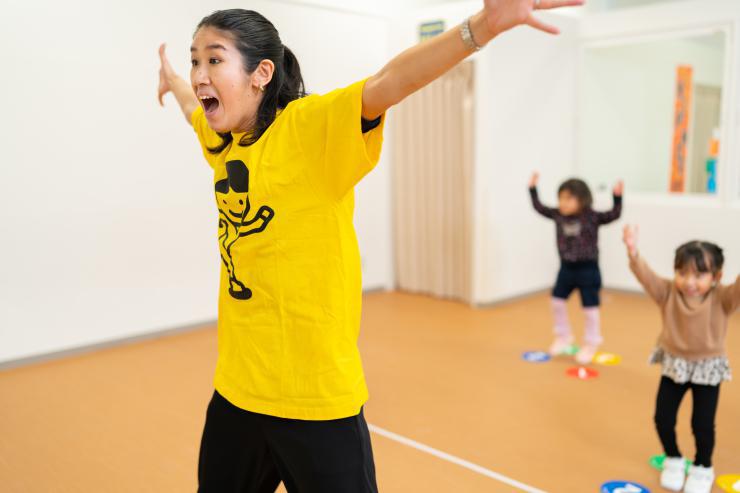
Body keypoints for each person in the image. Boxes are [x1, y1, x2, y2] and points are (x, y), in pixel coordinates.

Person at [157, 1, 583, 491]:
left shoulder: (307, 128)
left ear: (261, 74)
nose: (200, 73)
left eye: (214, 59)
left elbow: (388, 83)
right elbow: (192, 109)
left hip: (316, 402)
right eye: (195, 60)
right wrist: (174, 80)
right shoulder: (223, 142)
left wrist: (482, 26)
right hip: (237, 393)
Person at [623, 225, 739, 493]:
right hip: (675, 365)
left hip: (707, 369)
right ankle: (673, 458)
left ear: (716, 276)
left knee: (702, 424)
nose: (689, 282)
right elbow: (646, 276)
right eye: (682, 273)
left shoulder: (722, 298)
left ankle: (703, 466)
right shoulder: (667, 292)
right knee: (662, 418)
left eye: (699, 275)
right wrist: (632, 251)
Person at [528, 172, 622, 363]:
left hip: (588, 269)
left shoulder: (592, 216)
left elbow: (614, 214)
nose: (563, 203)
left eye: (569, 199)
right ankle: (563, 337)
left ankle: (591, 343)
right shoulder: (557, 214)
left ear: (582, 199)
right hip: (566, 268)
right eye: (561, 198)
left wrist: (617, 197)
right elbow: (539, 207)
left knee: (590, 309)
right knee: (557, 301)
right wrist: (532, 189)